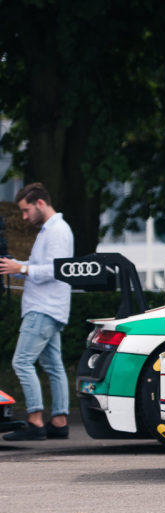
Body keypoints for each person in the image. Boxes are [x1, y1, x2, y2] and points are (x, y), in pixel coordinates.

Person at [0, 183, 74, 442]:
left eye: (26, 210)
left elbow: (56, 269)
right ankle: (60, 421)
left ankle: (35, 421)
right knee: (54, 366)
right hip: (50, 307)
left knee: (21, 362)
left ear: (40, 203)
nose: (23, 216)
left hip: (43, 307)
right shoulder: (50, 230)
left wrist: (20, 269)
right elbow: (44, 265)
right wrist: (17, 265)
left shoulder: (56, 231)